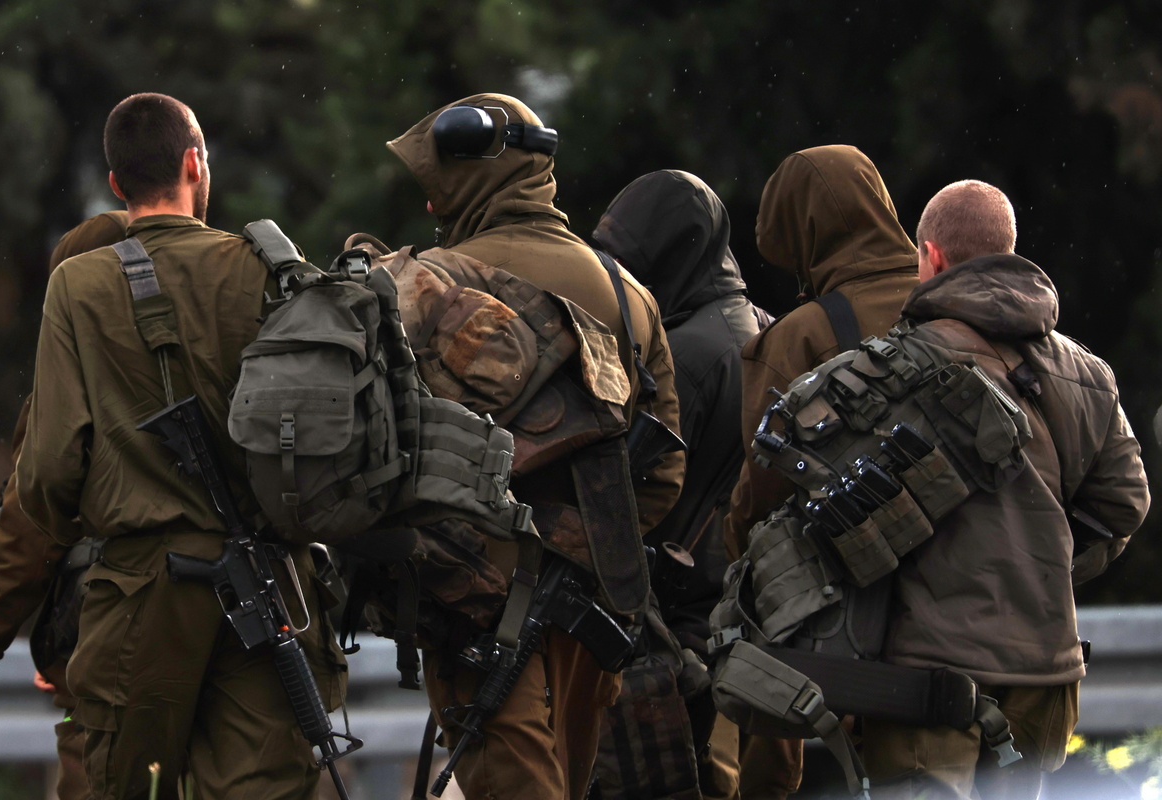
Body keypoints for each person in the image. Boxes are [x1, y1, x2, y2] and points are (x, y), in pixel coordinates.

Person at [14, 93, 346, 800]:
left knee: (123, 784)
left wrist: (101, 525)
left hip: (141, 586)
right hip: (271, 582)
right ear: (195, 164)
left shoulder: (78, 283)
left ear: (116, 183)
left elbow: (47, 469)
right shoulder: (266, 268)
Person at [387, 93, 684, 800]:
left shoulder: (425, 284)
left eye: (438, 186)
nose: (430, 204)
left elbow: (390, 451)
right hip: (593, 596)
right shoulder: (628, 291)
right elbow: (666, 470)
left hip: (470, 598)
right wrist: (584, 541)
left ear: (471, 177)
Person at [856, 179, 1149, 800]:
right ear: (1008, 249)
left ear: (931, 256)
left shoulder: (895, 366)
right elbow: (1125, 505)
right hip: (1043, 674)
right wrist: (1043, 570)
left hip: (931, 676)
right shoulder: (1089, 373)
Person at [723, 144, 922, 798]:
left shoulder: (800, 335)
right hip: (967, 598)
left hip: (847, 607)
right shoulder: (954, 302)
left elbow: (764, 492)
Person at [591, 169, 774, 799]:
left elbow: (639, 490)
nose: (616, 278)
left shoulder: (686, 353)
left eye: (626, 260)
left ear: (669, 256)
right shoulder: (761, 326)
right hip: (742, 611)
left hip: (682, 621)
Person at [0, 210, 129, 800]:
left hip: (115, 658)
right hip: (249, 650)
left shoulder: (73, 391)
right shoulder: (223, 350)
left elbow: (31, 531)